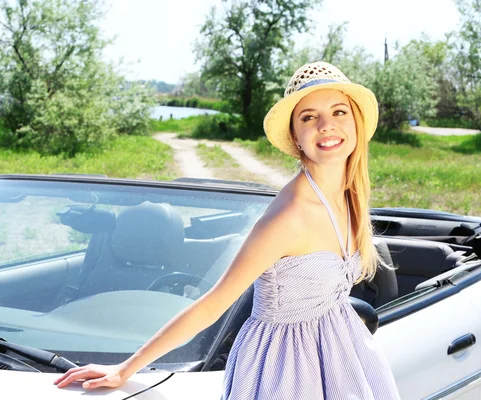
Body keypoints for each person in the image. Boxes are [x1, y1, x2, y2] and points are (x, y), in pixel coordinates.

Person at [53, 61, 401, 399]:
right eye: (309, 117)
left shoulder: (350, 198)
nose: (327, 125)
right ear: (296, 136)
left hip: (344, 354)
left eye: (339, 112)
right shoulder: (288, 216)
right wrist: (125, 369)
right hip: (287, 368)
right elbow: (213, 303)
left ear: (356, 122)